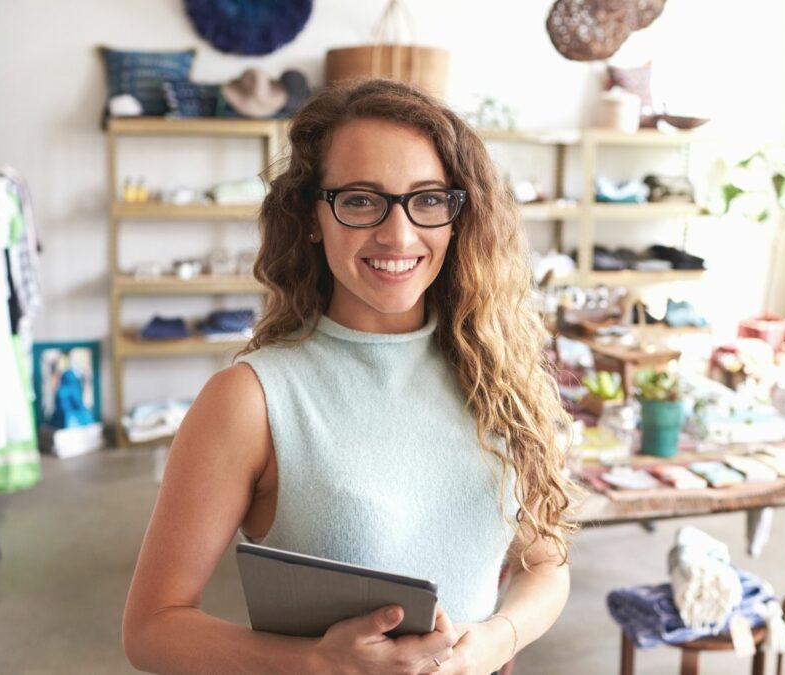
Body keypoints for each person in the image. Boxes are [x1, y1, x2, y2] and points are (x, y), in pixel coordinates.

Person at [122, 78, 577, 674]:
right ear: (312, 215)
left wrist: (498, 637)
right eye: (361, 200)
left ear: (458, 214)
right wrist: (314, 662)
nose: (398, 234)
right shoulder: (252, 401)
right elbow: (152, 629)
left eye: (428, 199)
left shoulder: (501, 379)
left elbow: (545, 565)